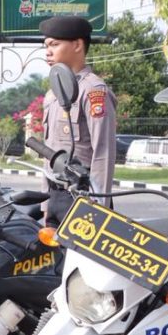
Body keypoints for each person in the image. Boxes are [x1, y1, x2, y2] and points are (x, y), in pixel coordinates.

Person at [40, 15, 117, 220]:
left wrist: (98, 206)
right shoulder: (53, 94)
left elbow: (103, 153)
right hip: (55, 195)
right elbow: (50, 153)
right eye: (46, 46)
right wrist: (46, 203)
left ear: (77, 45)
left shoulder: (93, 91)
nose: (48, 51)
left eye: (54, 44)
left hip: (83, 196)